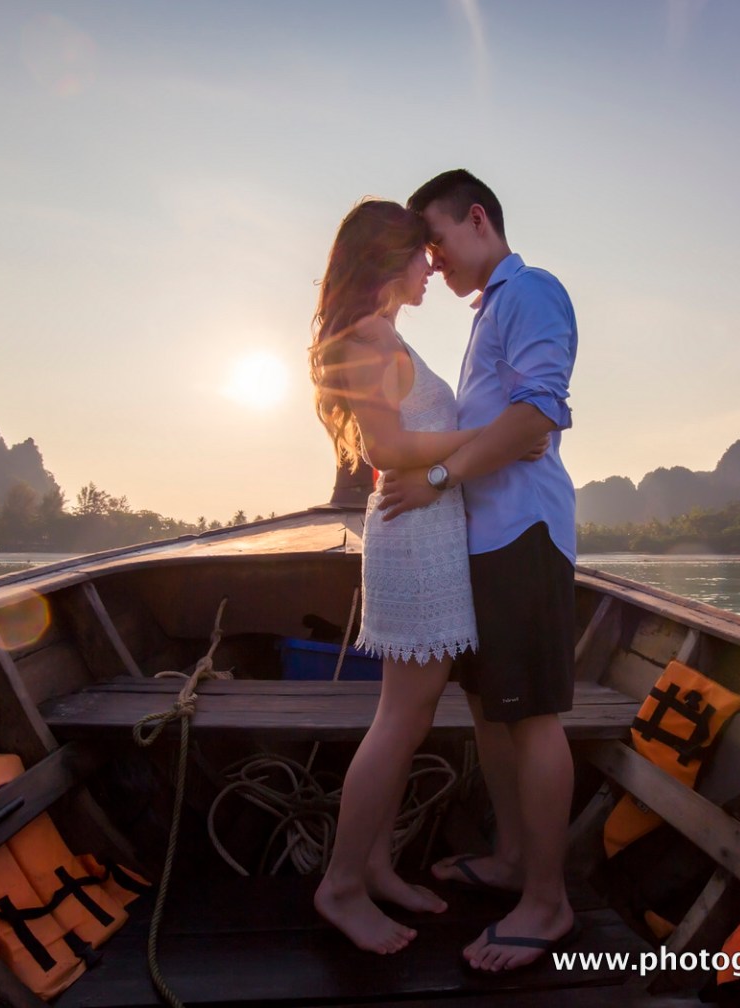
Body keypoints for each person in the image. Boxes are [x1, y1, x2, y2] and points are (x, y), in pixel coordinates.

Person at [307, 198, 545, 955]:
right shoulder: (367, 338)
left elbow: (402, 440)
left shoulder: (381, 335)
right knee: (400, 722)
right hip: (414, 539)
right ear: (389, 259)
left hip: (425, 530)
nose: (431, 266)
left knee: (404, 721)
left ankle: (374, 865)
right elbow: (387, 443)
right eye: (421, 255)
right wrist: (494, 436)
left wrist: (461, 457)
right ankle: (340, 884)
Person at [379, 169, 580, 972]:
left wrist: (434, 478)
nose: (434, 259)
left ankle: (549, 900)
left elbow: (538, 413)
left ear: (477, 218)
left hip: (523, 533)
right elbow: (500, 422)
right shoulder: (489, 308)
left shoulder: (531, 290)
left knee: (531, 718)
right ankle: (510, 862)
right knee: (493, 716)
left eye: (436, 239)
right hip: (484, 541)